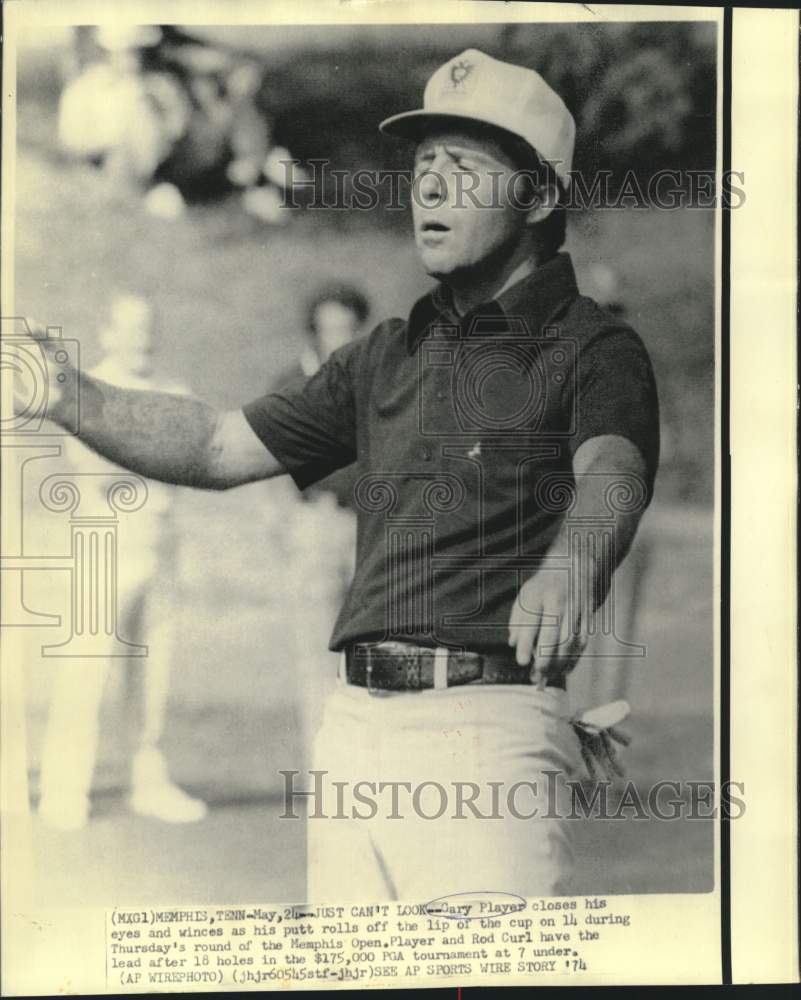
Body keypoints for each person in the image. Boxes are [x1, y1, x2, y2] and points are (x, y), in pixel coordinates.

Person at [27, 50, 659, 895]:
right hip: (354, 729)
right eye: (423, 166)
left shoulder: (592, 344)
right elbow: (216, 444)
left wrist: (577, 558)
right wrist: (66, 393)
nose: (428, 188)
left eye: (463, 168)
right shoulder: (382, 356)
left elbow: (613, 466)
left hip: (488, 727)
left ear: (540, 196)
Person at [37, 294, 207, 830]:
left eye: (148, 328)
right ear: (108, 332)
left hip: (159, 548)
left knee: (153, 676)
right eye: (130, 328)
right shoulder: (87, 389)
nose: (141, 338)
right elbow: (97, 472)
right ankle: (64, 791)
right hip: (103, 548)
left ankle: (148, 783)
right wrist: (153, 451)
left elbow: (191, 463)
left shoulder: (174, 391)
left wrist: (148, 455)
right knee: (83, 673)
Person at [277, 286, 371, 768]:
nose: (340, 338)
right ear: (315, 332)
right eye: (331, 328)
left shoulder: (376, 383)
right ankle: (323, 773)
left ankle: (364, 770)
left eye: (348, 329)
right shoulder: (294, 385)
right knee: (316, 653)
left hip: (369, 527)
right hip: (317, 523)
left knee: (369, 653)